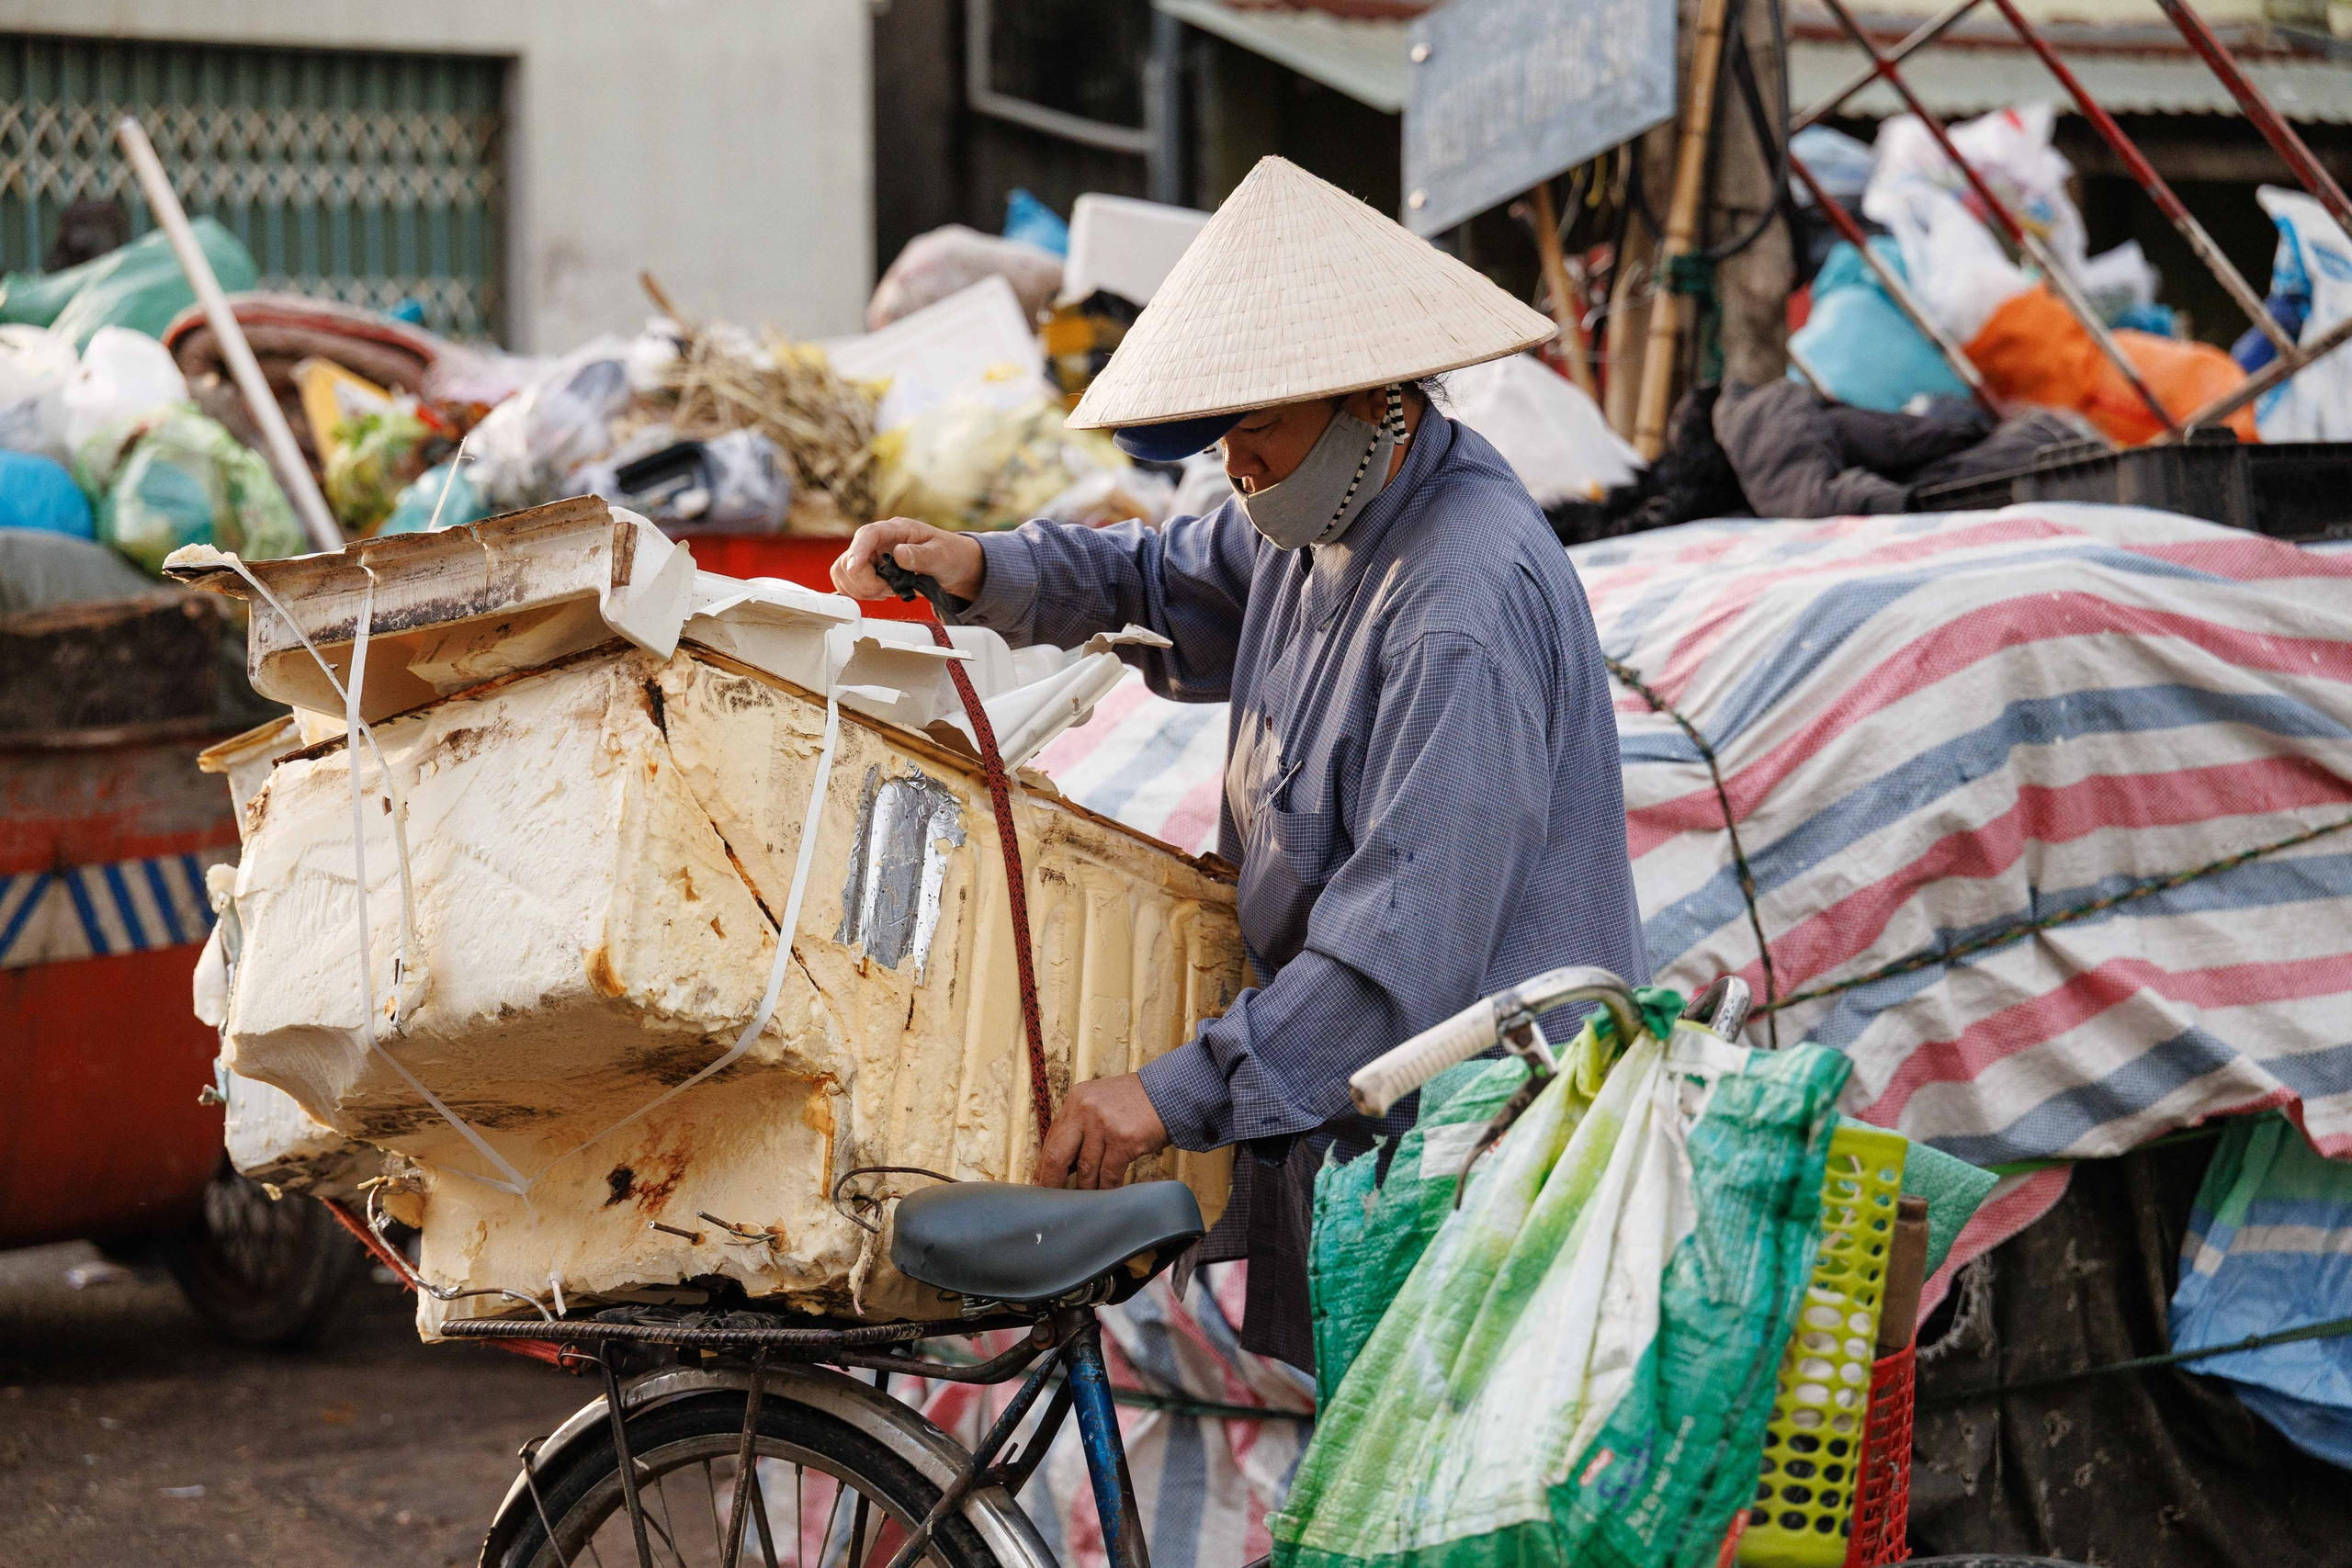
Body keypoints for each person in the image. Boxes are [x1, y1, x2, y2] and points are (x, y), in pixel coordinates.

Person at [832, 157, 1645, 1368]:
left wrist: (1168, 1095)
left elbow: (1396, 953)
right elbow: (1160, 579)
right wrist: (981, 569)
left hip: (1481, 1158)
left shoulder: (1457, 608)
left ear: (1374, 397)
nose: (1235, 464)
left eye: (1255, 426)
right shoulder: (1314, 520)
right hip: (1383, 1144)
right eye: (1223, 436)